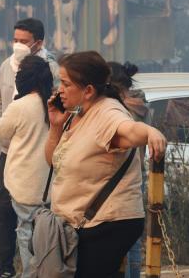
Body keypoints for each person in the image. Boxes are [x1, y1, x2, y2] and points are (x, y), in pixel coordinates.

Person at [45, 51, 166, 278]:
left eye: (65, 83)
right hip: (80, 223)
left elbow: (128, 130)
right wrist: (55, 127)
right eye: (59, 82)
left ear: (88, 90)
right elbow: (54, 161)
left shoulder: (108, 111)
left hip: (105, 224)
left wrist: (150, 131)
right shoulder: (77, 112)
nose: (59, 89)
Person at [0, 18, 58, 278]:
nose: (17, 45)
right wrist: (0, 122)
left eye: (23, 41)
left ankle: (36, 270)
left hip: (39, 155)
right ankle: (5, 265)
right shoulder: (7, 66)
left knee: (34, 221)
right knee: (4, 210)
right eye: (15, 39)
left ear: (38, 43)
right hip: (10, 151)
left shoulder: (49, 68)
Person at [107, 61, 147, 278]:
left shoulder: (122, 113)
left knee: (124, 242)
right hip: (135, 179)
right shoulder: (137, 107)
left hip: (121, 179)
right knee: (132, 242)